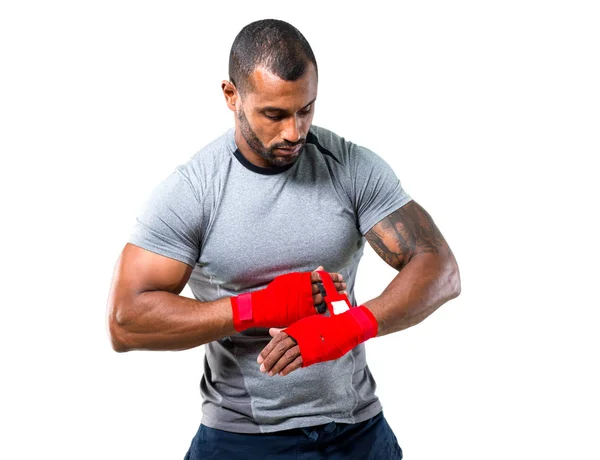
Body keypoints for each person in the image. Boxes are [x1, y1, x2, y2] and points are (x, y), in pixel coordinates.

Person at [106, 18, 461, 460]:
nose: (295, 132)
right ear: (231, 96)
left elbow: (439, 268)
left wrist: (348, 328)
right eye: (274, 114)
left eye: (305, 110)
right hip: (242, 440)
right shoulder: (195, 191)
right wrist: (254, 308)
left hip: (355, 430)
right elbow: (126, 321)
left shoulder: (347, 166)